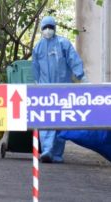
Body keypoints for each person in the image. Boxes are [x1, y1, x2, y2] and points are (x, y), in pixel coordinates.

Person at [32, 16, 86, 163]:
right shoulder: (38, 48)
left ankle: (57, 154)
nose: (47, 30)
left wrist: (81, 76)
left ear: (54, 28)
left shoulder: (63, 44)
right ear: (41, 29)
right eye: (45, 27)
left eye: (50, 26)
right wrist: (37, 84)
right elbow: (35, 69)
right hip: (45, 90)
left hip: (62, 89)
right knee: (46, 120)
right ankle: (48, 150)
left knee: (60, 122)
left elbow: (74, 60)